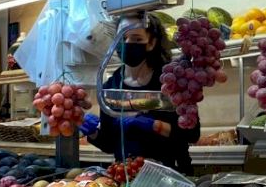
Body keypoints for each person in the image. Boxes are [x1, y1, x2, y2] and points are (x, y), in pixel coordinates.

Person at [81, 14, 199, 172]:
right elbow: (109, 145)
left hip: (172, 174)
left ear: (151, 43)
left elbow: (192, 134)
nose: (127, 43)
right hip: (127, 173)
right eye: (122, 38)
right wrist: (93, 132)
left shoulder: (171, 80)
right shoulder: (111, 86)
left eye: (136, 39)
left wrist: (153, 125)